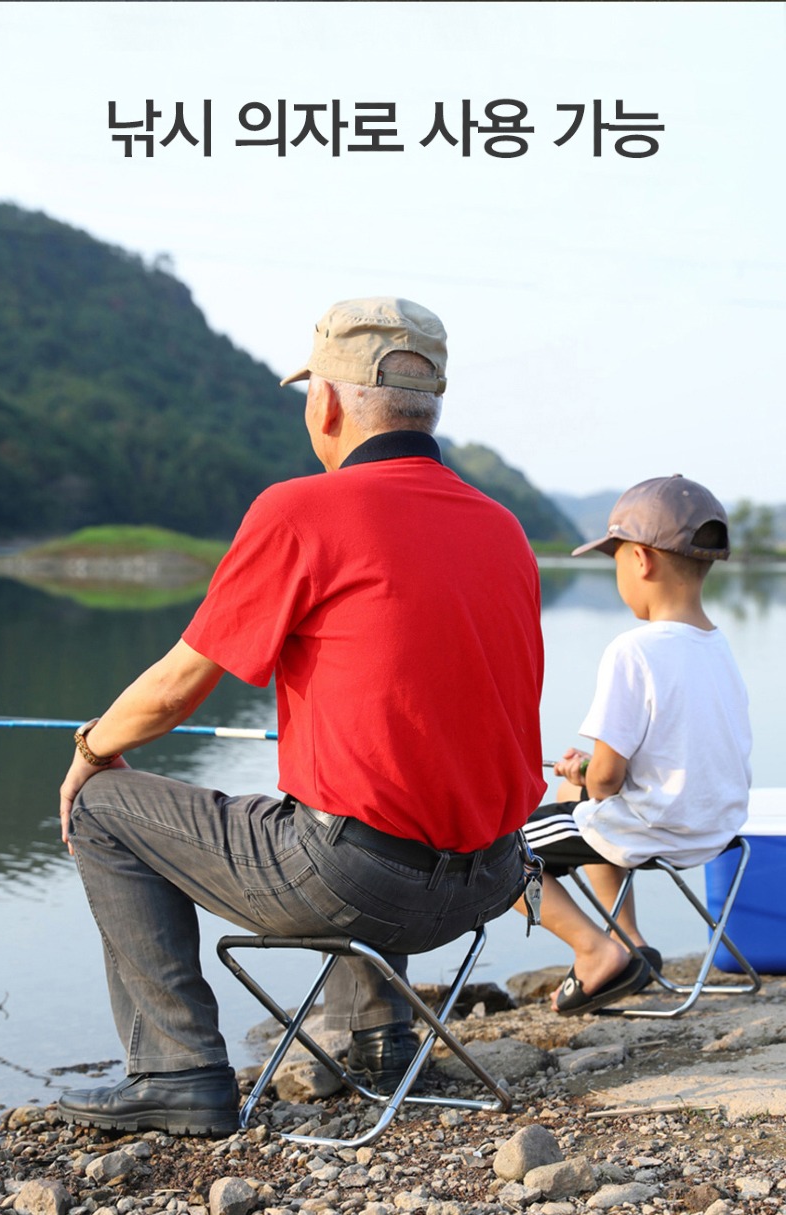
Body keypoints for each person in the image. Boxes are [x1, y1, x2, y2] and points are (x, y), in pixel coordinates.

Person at [57, 296, 546, 1136]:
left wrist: (89, 747)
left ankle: (175, 1072)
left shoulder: (301, 510)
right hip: (491, 877)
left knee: (103, 807)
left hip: (361, 886)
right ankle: (381, 1039)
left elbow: (177, 687)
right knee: (362, 792)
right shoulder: (504, 528)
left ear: (324, 402)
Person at [516, 474, 752, 1016]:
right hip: (715, 832)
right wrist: (586, 781)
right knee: (585, 809)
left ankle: (594, 952)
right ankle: (631, 944)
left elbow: (607, 779)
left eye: (615, 560)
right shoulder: (719, 650)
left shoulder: (634, 650)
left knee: (495, 848)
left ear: (642, 561)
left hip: (654, 830)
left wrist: (583, 773)